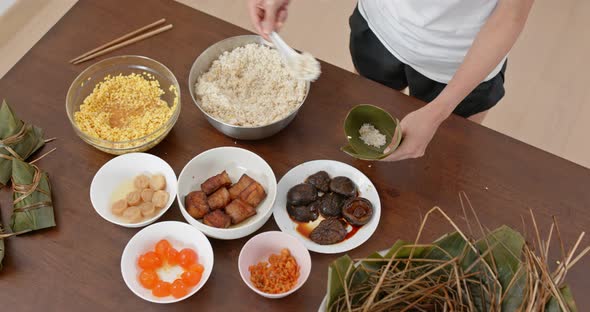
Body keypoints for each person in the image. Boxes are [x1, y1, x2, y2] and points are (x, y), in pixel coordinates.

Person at [248, 0, 534, 161]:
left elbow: (511, 16)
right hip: (379, 24)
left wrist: (437, 112)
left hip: (461, 60)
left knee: (448, 157)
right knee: (372, 112)